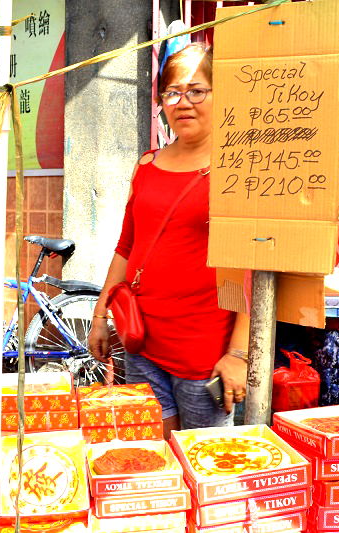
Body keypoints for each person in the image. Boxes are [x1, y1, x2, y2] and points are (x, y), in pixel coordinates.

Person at [88, 43, 250, 437]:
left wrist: (238, 352)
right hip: (141, 342)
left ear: (220, 94)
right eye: (173, 92)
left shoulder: (236, 169)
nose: (184, 102)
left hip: (203, 353)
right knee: (155, 455)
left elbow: (251, 266)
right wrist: (99, 316)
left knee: (201, 460)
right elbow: (126, 247)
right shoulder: (147, 165)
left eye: (197, 91)